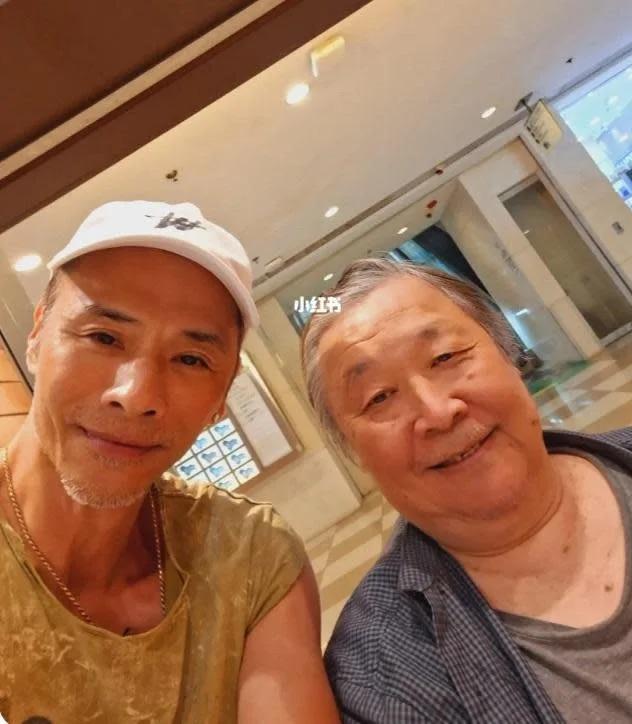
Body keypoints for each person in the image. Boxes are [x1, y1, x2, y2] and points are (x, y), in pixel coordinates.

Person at [0, 201, 340, 724]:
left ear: (222, 397)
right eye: (104, 337)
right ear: (37, 334)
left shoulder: (247, 556)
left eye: (190, 359)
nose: (137, 395)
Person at [301, 257, 632, 723]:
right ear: (354, 451)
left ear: (510, 354)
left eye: (445, 358)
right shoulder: (380, 678)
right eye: (379, 397)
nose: (438, 413)